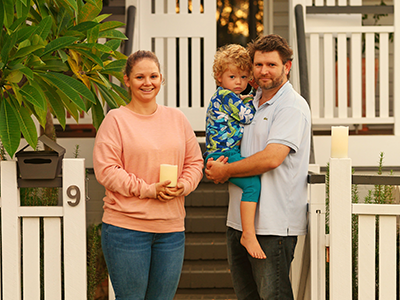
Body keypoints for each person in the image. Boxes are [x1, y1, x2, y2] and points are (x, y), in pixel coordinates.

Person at [205, 34, 311, 300]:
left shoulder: (292, 106)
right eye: (259, 64)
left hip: (274, 226)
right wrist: (217, 164)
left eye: (272, 65)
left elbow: (271, 158)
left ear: (287, 66)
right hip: (238, 223)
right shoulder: (247, 100)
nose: (264, 70)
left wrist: (226, 171)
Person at [93, 50, 203, 300]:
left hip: (171, 230)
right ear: (127, 80)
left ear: (161, 79)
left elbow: (195, 162)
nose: (147, 82)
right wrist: (148, 189)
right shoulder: (116, 120)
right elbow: (106, 170)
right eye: (140, 77)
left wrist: (184, 185)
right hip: (126, 229)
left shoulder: (177, 118)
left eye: (153, 76)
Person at [204, 44, 265, 259]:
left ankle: (247, 231)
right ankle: (248, 233)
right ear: (219, 77)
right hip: (224, 153)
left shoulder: (227, 96)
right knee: (253, 184)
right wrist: (257, 95)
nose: (238, 82)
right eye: (232, 77)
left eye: (244, 77)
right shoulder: (226, 97)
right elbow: (247, 116)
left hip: (221, 152)